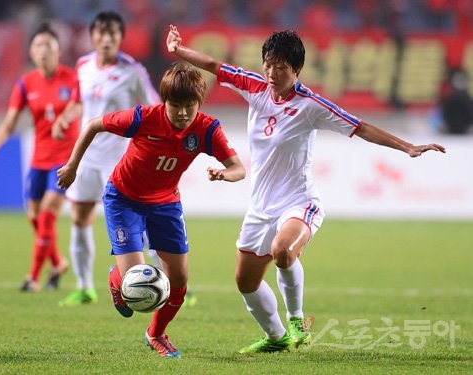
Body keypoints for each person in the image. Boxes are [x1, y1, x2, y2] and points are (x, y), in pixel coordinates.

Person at [166, 25, 446, 353]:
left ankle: (298, 319)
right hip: (261, 206)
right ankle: (276, 336)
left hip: (299, 202)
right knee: (245, 282)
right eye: (268, 64)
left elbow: (362, 127)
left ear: (297, 70)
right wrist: (178, 51)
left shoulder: (311, 105)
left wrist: (408, 147)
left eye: (281, 67)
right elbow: (214, 65)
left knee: (282, 251)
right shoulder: (253, 86)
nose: (272, 73)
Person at [57, 63, 246, 358]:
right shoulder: (143, 117)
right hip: (124, 199)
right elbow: (93, 124)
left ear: (199, 103)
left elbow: (239, 169)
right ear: (164, 102)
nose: (183, 113)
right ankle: (116, 278)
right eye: (176, 105)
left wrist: (224, 174)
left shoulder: (207, 129)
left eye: (190, 105)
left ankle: (156, 334)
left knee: (179, 282)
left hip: (166, 204)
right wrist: (72, 166)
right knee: (135, 283)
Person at [53, 11, 160, 307]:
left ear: (120, 38)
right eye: (101, 33)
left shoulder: (132, 71)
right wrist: (65, 116)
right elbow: (79, 103)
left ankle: (168, 281)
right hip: (86, 156)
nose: (106, 39)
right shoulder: (83, 65)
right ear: (93, 36)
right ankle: (85, 287)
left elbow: (155, 107)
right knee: (79, 218)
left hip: (119, 159)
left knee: (140, 223)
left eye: (112, 34)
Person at [0, 23, 79, 292]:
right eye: (38, 46)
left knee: (47, 215)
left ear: (59, 51)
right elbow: (11, 122)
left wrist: (64, 119)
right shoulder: (26, 83)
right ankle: (58, 263)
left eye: (48, 45)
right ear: (32, 52)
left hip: (65, 160)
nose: (43, 50)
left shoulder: (72, 79)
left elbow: (78, 105)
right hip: (38, 159)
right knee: (34, 215)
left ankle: (32, 277)